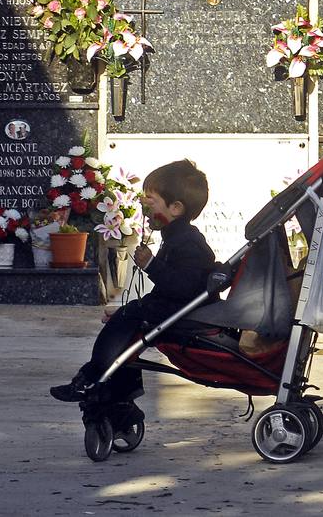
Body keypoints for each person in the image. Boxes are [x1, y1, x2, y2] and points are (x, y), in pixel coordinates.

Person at [50, 160, 215, 405]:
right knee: (129, 323)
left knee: (128, 317)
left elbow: (184, 287)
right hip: (176, 308)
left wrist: (152, 266)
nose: (143, 203)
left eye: (151, 199)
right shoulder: (175, 236)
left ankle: (91, 377)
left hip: (189, 314)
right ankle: (120, 396)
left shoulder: (189, 241)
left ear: (176, 208)